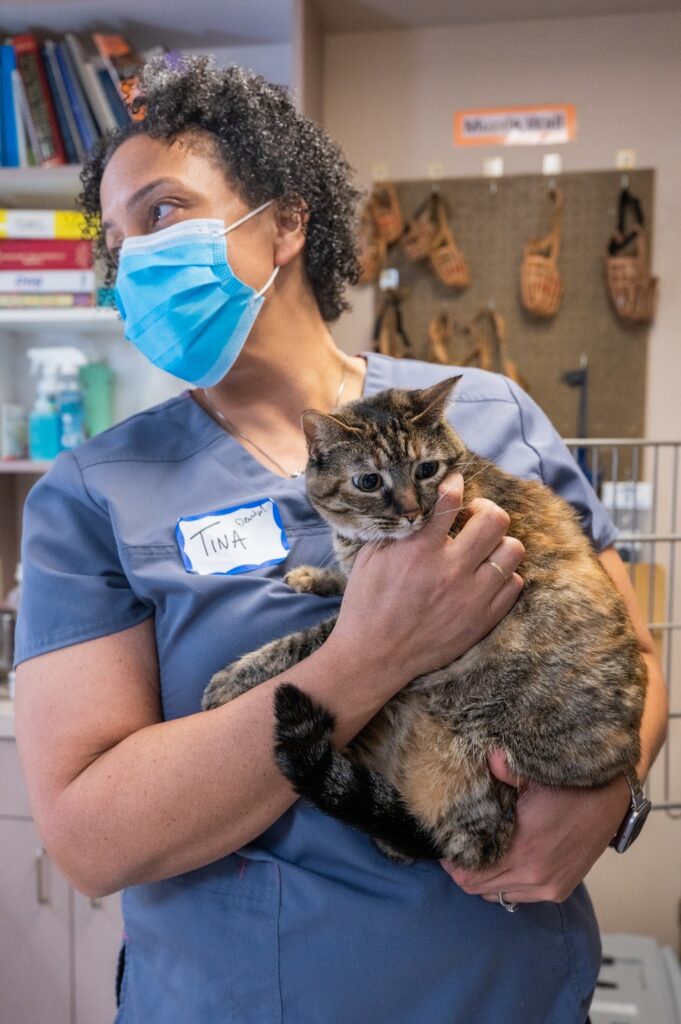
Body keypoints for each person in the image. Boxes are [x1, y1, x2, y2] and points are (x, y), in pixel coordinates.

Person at [14, 57, 667, 1024]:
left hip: (507, 992)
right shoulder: (93, 495)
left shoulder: (490, 414)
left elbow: (634, 654)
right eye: (114, 239)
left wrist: (611, 793)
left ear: (286, 220)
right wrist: (365, 657)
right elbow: (89, 840)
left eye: (161, 213)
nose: (133, 259)